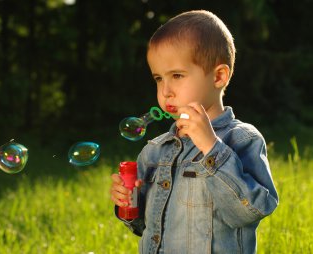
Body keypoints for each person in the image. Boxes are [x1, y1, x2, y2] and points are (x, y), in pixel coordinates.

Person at [110, 10, 278, 254]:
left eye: (177, 75)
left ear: (219, 76)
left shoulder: (241, 139)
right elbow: (147, 226)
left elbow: (252, 210)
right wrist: (128, 203)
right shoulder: (154, 151)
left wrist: (212, 148)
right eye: (158, 78)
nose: (166, 90)